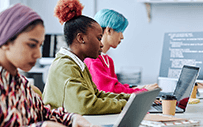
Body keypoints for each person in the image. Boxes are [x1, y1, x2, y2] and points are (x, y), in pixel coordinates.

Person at [0, 3, 99, 127]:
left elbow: (44, 114)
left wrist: (73, 118)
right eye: (31, 44)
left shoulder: (21, 84)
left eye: (40, 46)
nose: (38, 55)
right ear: (5, 41)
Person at [42, 0, 131, 115]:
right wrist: (124, 104)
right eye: (99, 38)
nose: (101, 44)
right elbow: (87, 105)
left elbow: (97, 94)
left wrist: (130, 98)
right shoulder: (64, 66)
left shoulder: (78, 65)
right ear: (81, 38)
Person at [84, 9, 159, 94]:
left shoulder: (108, 60)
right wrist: (142, 91)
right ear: (109, 30)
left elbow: (115, 86)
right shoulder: (92, 60)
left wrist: (138, 88)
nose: (122, 37)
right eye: (120, 31)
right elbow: (109, 91)